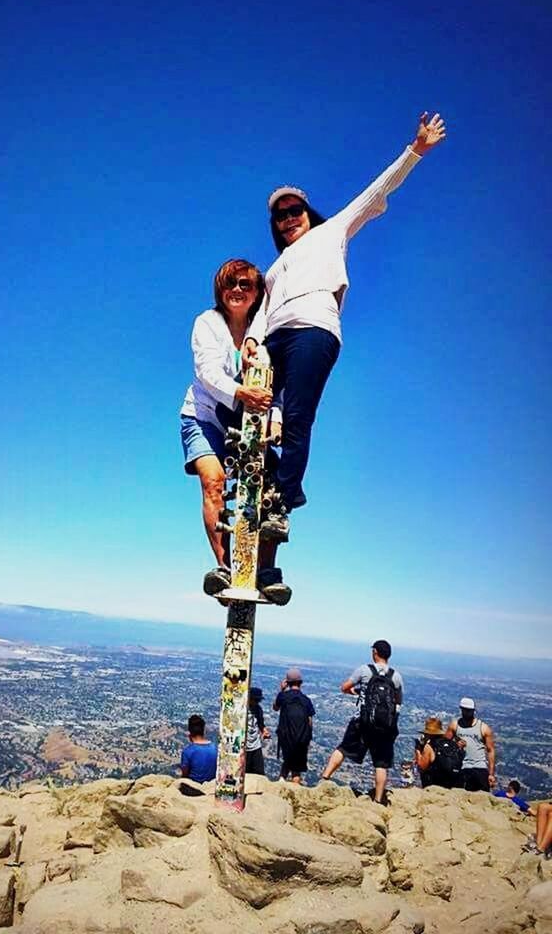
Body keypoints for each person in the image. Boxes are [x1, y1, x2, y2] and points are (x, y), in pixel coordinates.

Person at [244, 113, 447, 542]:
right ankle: (268, 485)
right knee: (253, 418)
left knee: (297, 415)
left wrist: (416, 151)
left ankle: (282, 504)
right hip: (273, 340)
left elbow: (376, 190)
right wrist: (250, 340)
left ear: (307, 212)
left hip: (313, 331)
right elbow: (261, 312)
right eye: (280, 216)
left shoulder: (332, 230)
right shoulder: (275, 267)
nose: (288, 219)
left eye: (294, 210)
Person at [179, 258, 290, 604]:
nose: (238, 290)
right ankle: (225, 567)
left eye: (246, 284)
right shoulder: (207, 323)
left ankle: (266, 569)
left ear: (257, 292)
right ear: (220, 289)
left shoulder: (269, 333)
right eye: (232, 283)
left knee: (268, 486)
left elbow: (279, 385)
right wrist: (241, 392)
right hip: (205, 415)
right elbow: (207, 373)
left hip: (252, 422)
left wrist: (278, 416)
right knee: (213, 482)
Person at [321, 640, 403, 804]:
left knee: (343, 748)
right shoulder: (396, 676)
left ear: (375, 652)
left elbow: (344, 687)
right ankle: (378, 800)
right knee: (381, 763)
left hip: (362, 721)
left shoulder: (365, 670)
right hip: (384, 726)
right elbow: (398, 701)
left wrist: (355, 692)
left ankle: (325, 779)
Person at [273, 668, 315, 783]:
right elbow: (310, 721)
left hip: (286, 736)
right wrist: (307, 738)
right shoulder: (306, 700)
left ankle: (281, 782)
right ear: (301, 683)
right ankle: (294, 791)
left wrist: (281, 690)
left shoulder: (283, 696)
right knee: (296, 769)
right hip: (302, 738)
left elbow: (275, 707)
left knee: (287, 760)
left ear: (287, 682)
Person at [446, 697, 496, 792]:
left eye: (469, 711)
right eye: (465, 710)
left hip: (480, 767)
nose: (467, 713)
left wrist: (491, 773)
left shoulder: (483, 728)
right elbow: (445, 744)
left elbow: (490, 750)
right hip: (462, 767)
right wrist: (455, 744)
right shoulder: (455, 725)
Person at [414, 716, 464, 789]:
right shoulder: (452, 744)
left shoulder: (430, 746)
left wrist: (418, 750)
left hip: (435, 785)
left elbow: (422, 766)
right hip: (453, 784)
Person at [179, 714, 217, 783]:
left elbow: (184, 775)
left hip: (194, 787)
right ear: (204, 731)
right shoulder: (215, 748)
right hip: (212, 785)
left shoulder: (187, 752)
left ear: (189, 733)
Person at [246, 686, 270, 776]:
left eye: (258, 700)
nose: (257, 702)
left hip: (256, 746)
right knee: (245, 773)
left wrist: (264, 731)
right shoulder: (242, 710)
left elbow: (260, 723)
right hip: (245, 747)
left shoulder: (258, 709)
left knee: (259, 774)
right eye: (255, 700)